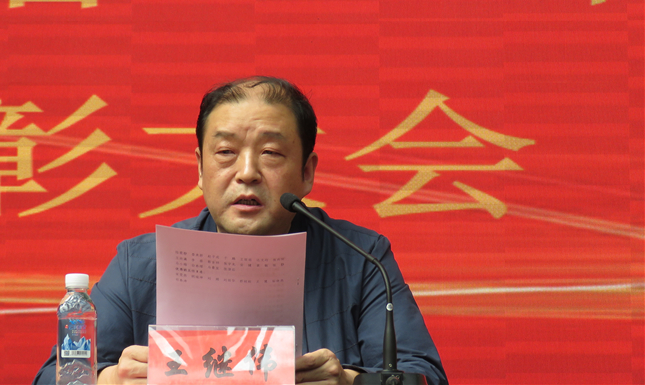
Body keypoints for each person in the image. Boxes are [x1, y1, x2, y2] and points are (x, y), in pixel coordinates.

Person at [33, 76, 448, 385]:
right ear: (200, 168)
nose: (247, 172)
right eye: (226, 152)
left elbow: (422, 377)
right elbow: (53, 376)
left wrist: (350, 382)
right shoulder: (139, 264)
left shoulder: (362, 259)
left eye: (270, 153)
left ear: (307, 172)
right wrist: (108, 380)